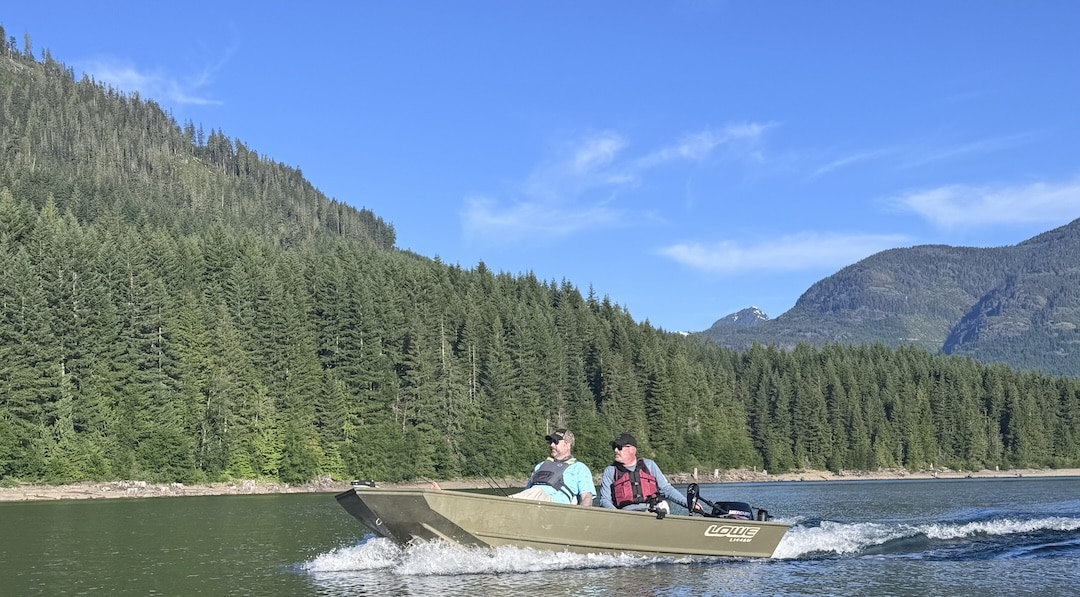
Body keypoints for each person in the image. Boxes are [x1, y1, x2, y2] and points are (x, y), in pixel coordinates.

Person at [599, 432, 701, 513]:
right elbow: (605, 500)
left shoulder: (649, 465)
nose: (616, 450)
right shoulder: (610, 471)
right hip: (626, 515)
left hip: (652, 512)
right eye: (614, 447)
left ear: (632, 450)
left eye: (620, 447)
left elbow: (666, 489)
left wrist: (688, 504)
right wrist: (618, 515)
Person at [511, 428, 595, 506]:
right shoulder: (540, 466)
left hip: (555, 507)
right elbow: (527, 491)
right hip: (532, 500)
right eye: (550, 442)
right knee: (534, 492)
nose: (551, 445)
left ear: (568, 444)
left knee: (537, 492)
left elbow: (587, 497)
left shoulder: (579, 468)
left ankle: (509, 503)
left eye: (556, 441)